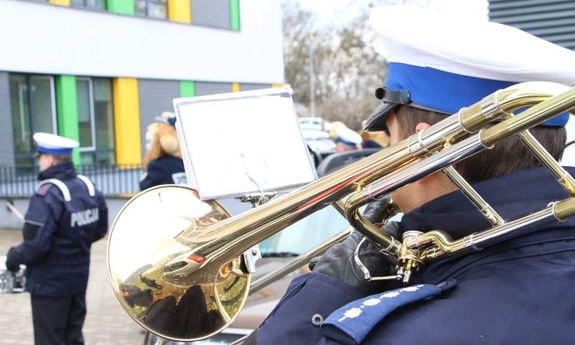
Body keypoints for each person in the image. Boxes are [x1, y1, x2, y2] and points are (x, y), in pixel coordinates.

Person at [243, 5, 575, 345]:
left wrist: (320, 297)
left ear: (426, 151)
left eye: (392, 141)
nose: (388, 158)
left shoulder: (394, 335)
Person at [5, 132, 108, 345]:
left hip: (49, 285)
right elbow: (99, 230)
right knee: (73, 337)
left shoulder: (48, 193)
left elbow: (35, 247)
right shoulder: (87, 187)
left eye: (40, 157)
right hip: (78, 281)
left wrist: (12, 257)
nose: (40, 162)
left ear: (49, 159)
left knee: (50, 340)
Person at [139, 112, 188, 191]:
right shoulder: (184, 163)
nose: (146, 146)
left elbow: (145, 189)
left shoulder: (157, 165)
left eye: (149, 141)